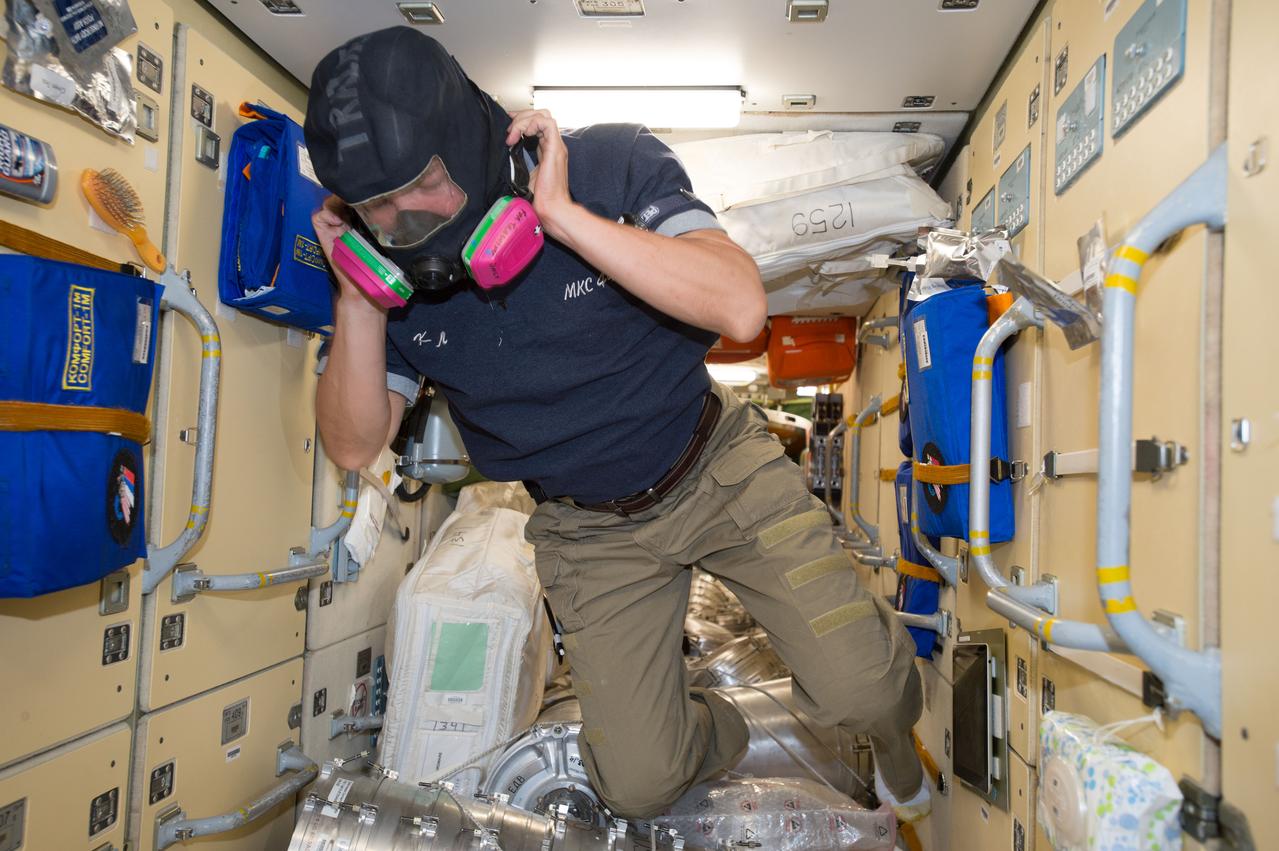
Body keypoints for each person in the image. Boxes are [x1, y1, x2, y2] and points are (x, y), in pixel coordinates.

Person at [304, 25, 930, 822]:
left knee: (866, 689)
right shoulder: (389, 270)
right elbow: (355, 442)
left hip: (714, 466)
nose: (405, 219)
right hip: (585, 530)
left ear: (466, 142)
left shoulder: (608, 164)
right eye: (376, 205)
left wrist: (561, 218)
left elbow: (738, 306)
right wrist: (357, 293)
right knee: (639, 783)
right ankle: (717, 723)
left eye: (421, 184)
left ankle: (889, 737)